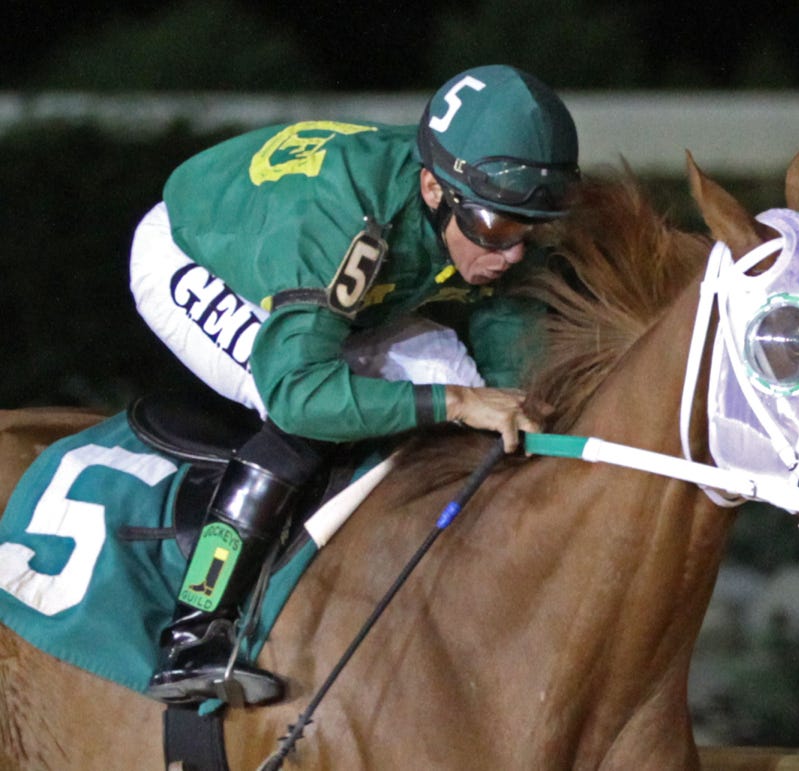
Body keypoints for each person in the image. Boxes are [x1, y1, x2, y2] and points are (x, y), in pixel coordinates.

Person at [128, 64, 580, 705]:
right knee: (312, 421)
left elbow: (510, 355)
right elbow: (299, 393)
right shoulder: (348, 224)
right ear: (433, 188)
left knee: (471, 396)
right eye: (498, 231)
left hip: (340, 285)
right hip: (195, 255)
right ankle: (194, 632)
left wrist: (512, 407)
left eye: (533, 231)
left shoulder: (477, 207)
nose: (512, 255)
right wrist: (457, 403)